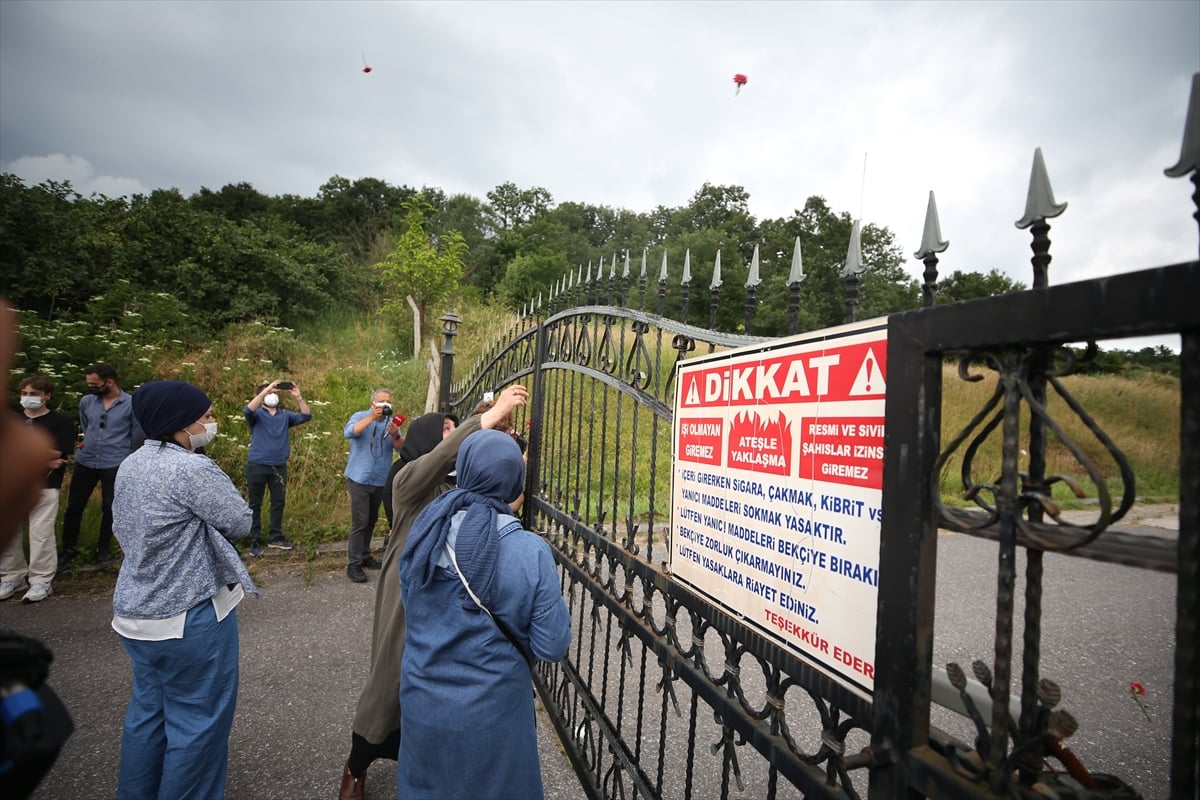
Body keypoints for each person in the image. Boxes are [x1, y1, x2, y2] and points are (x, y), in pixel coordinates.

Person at [337, 386, 526, 800]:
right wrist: (490, 415)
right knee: (387, 687)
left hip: (440, 604)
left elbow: (495, 498)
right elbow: (442, 457)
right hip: (405, 602)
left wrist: (512, 455)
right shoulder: (407, 483)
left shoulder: (452, 490)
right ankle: (356, 767)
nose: (450, 437)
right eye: (444, 429)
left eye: (453, 430)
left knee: (427, 690)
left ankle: (418, 768)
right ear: (424, 438)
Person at [397, 428, 571, 799]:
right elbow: (552, 645)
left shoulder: (425, 531)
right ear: (516, 484)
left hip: (422, 706)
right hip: (493, 720)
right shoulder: (527, 551)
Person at [110, 380, 256, 800]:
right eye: (206, 416)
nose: (212, 422)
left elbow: (123, 527)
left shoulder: (131, 463)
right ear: (180, 423)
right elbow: (240, 522)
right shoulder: (193, 469)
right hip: (188, 617)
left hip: (136, 614)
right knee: (198, 725)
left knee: (148, 716)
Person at [0, 376, 77, 603]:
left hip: (45, 485)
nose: (28, 398)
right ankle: (11, 577)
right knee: (10, 533)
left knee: (41, 533)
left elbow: (58, 452)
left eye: (34, 394)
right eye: (25, 393)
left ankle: (41, 580)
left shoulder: (60, 422)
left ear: (46, 396)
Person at [60, 363, 143, 567]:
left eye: (95, 384)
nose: (91, 388)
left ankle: (102, 550)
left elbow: (136, 434)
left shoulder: (131, 404)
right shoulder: (87, 402)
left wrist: (124, 452)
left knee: (110, 507)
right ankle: (67, 550)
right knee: (74, 507)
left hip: (114, 462)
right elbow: (86, 425)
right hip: (86, 460)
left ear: (109, 382)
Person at [242, 380, 312, 556]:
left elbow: (306, 416)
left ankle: (276, 537)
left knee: (278, 502)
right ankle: (255, 539)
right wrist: (265, 390)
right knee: (255, 503)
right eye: (270, 393)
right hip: (257, 464)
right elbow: (247, 410)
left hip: (279, 465)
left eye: (275, 392)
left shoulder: (285, 416)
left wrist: (298, 397)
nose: (273, 395)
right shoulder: (256, 415)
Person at [342, 388, 403, 583]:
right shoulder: (360, 416)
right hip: (359, 478)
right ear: (372, 404)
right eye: (381, 401)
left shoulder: (390, 422)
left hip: (380, 479)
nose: (385, 404)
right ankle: (353, 563)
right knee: (360, 521)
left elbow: (401, 447)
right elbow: (350, 432)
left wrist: (395, 435)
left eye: (388, 401)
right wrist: (371, 417)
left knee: (371, 520)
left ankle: (365, 555)